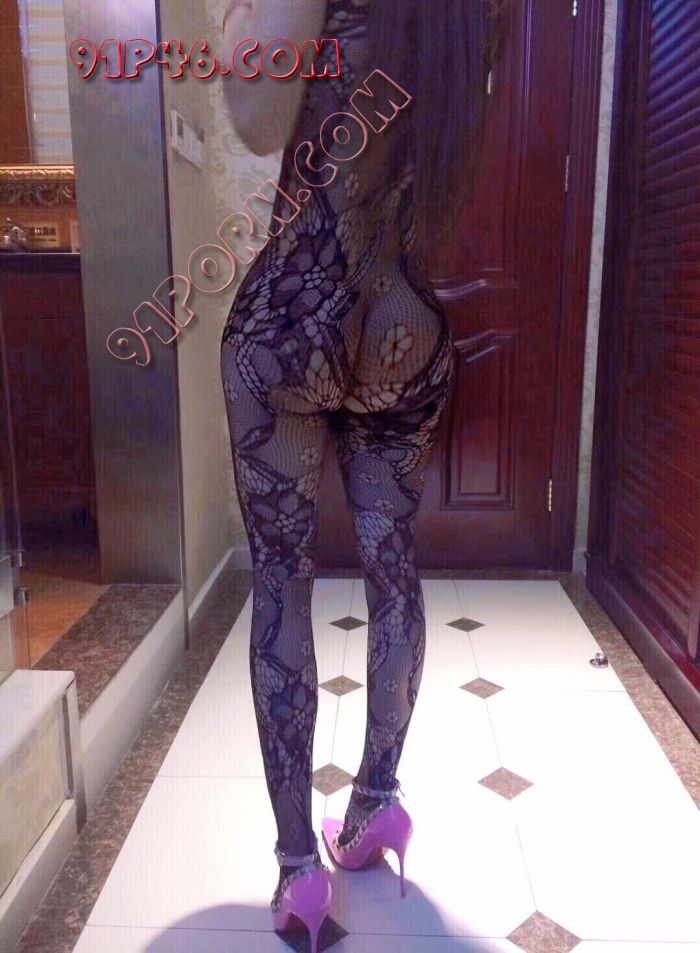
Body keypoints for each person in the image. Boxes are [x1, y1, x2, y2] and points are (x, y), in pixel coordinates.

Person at [220, 1, 506, 949]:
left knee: (281, 576)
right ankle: (378, 799)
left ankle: (298, 867)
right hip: (405, 323)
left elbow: (255, 113)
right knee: (392, 559)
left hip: (292, 320)